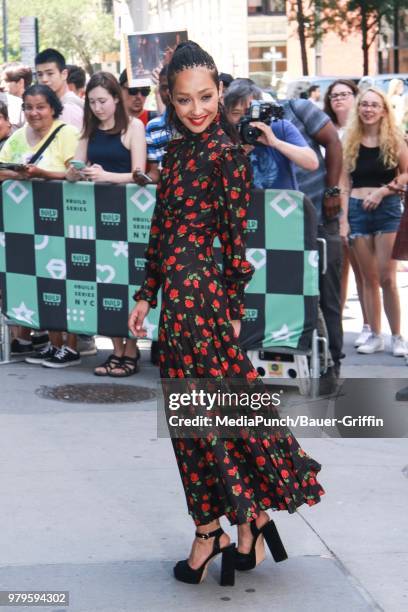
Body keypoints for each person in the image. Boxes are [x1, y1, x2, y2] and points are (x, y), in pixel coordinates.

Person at [128, 41, 324, 586]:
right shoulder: (175, 155)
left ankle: (218, 527)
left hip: (207, 303)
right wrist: (146, 293)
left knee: (207, 417)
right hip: (177, 306)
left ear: (220, 91)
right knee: (198, 419)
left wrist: (232, 307)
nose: (196, 109)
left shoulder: (227, 155)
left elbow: (238, 243)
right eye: (185, 98)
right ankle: (242, 523)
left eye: (207, 97)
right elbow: (162, 230)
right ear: (169, 95)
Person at [66, 71, 146, 377]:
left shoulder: (134, 127)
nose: (97, 107)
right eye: (92, 101)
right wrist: (75, 173)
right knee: (106, 284)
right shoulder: (89, 128)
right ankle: (117, 350)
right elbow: (77, 164)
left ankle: (132, 350)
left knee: (129, 284)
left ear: (116, 98)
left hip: (129, 214)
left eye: (102, 100)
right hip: (94, 214)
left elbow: (139, 174)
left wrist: (106, 176)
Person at [0, 83, 81, 367]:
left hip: (67, 223)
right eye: (29, 107)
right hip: (27, 227)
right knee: (43, 283)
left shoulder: (68, 134)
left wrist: (43, 174)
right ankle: (51, 343)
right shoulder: (18, 138)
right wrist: (14, 174)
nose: (34, 113)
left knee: (67, 282)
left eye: (41, 107)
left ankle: (71, 346)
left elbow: (79, 176)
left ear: (53, 109)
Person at [340, 87, 408, 356]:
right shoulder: (350, 139)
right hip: (356, 209)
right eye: (364, 104)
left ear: (383, 110)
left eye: (374, 105)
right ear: (359, 109)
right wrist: (343, 219)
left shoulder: (395, 139)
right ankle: (375, 335)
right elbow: (344, 181)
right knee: (367, 279)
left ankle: (397, 336)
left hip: (387, 209)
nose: (368, 109)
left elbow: (406, 174)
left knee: (387, 277)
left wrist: (383, 191)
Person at [282, 95, 344, 377]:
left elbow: (333, 141)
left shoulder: (296, 108)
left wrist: (332, 191)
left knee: (327, 291)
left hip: (320, 213)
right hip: (280, 225)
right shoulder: (234, 125)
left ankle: (333, 362)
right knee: (286, 293)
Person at [323, 79, 371, 348]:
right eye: (333, 96)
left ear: (355, 97)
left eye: (344, 94)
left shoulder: (361, 130)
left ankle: (368, 324)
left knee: (364, 271)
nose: (339, 99)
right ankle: (336, 324)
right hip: (334, 205)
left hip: (358, 204)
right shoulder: (326, 130)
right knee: (337, 271)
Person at [223, 79, 318, 189]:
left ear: (261, 108)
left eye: (250, 112)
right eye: (236, 113)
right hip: (245, 204)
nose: (244, 119)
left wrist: (275, 142)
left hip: (280, 204)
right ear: (226, 114)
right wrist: (236, 155)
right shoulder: (223, 134)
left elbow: (312, 163)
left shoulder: (279, 127)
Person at [35, 48, 84, 130]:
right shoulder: (55, 104)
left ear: (64, 74)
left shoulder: (69, 108)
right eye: (40, 74)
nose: (44, 79)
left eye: (50, 73)